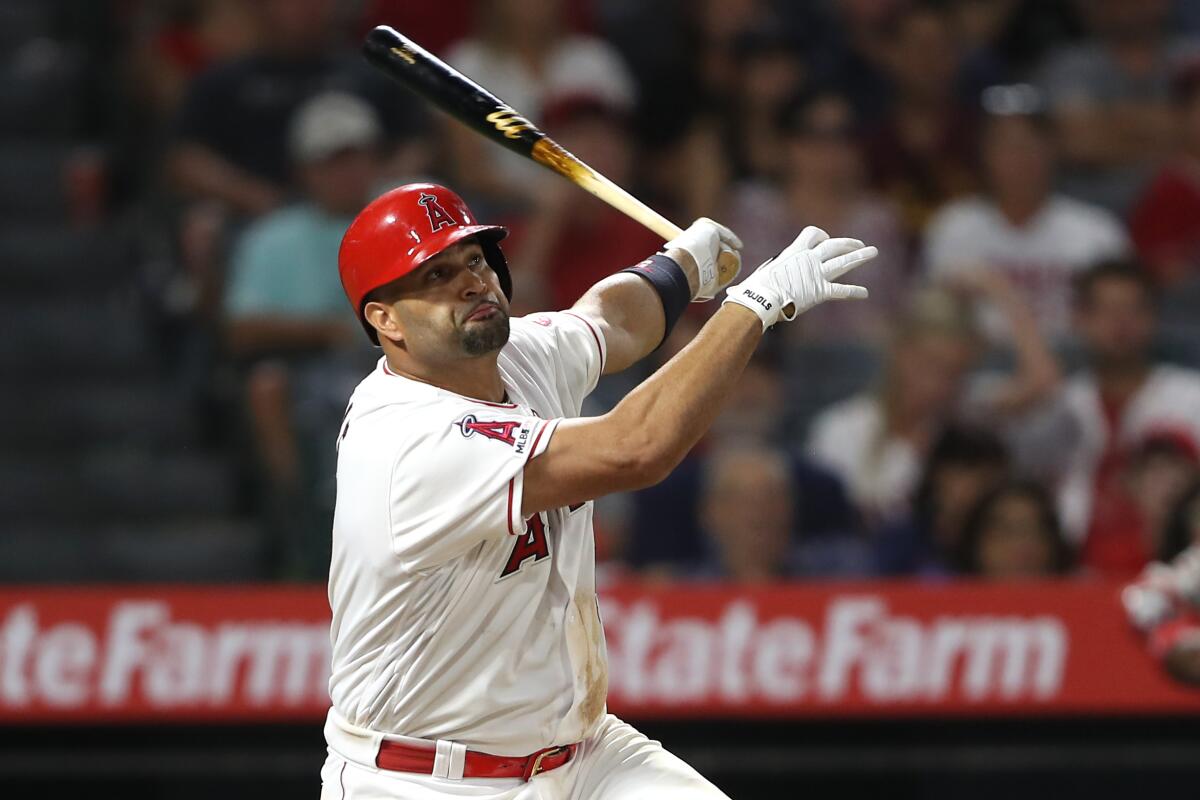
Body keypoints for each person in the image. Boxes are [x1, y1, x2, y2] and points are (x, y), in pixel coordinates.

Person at [320, 181, 877, 798]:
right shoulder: (407, 440)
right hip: (425, 778)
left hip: (583, 756)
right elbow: (634, 449)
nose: (472, 282)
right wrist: (755, 304)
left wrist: (679, 268)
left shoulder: (513, 356)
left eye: (474, 259)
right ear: (385, 320)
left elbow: (607, 320)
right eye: (435, 275)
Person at [223, 91, 384, 577]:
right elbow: (241, 329)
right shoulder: (272, 237)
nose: (348, 174)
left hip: (395, 363)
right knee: (268, 386)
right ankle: (301, 530)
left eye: (357, 158)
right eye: (332, 162)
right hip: (308, 367)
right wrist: (330, 330)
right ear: (306, 170)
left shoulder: (399, 221)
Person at [806, 280, 1059, 528]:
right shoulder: (841, 428)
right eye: (931, 365)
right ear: (899, 354)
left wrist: (997, 289)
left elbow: (1044, 383)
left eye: (954, 373)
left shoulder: (968, 413)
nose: (940, 384)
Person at [924, 84, 1129, 343]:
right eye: (1007, 145)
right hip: (974, 367)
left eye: (1031, 143)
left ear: (1053, 149)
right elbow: (931, 323)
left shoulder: (1096, 231)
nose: (1020, 157)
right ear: (985, 153)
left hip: (1075, 366)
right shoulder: (954, 226)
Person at [1055, 260, 1200, 576]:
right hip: (1070, 573)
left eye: (1134, 310)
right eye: (1106, 310)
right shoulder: (1063, 402)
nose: (1121, 323)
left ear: (1155, 317)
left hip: (1178, 572)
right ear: (1079, 318)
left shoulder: (1192, 397)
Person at [697, 444, 870, 581]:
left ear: (790, 506)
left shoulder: (840, 573)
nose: (757, 512)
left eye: (770, 497)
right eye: (739, 499)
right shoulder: (685, 589)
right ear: (710, 512)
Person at [875, 425, 1011, 577]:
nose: (978, 488)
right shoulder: (901, 538)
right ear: (938, 475)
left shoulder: (1002, 546)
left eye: (988, 480)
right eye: (968, 474)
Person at [953, 480, 1072, 578]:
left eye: (1035, 531)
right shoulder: (945, 599)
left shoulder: (1081, 597)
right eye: (1007, 531)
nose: (1023, 544)